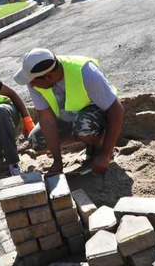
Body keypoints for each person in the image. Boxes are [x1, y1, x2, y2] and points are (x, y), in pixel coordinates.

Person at [13, 48, 124, 176]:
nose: (31, 85)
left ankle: (102, 147)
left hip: (96, 116)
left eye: (33, 82)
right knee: (36, 141)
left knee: (84, 125)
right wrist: (57, 162)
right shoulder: (35, 80)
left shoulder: (86, 72)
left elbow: (116, 110)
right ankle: (88, 140)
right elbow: (46, 120)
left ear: (49, 76)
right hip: (67, 117)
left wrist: (105, 154)